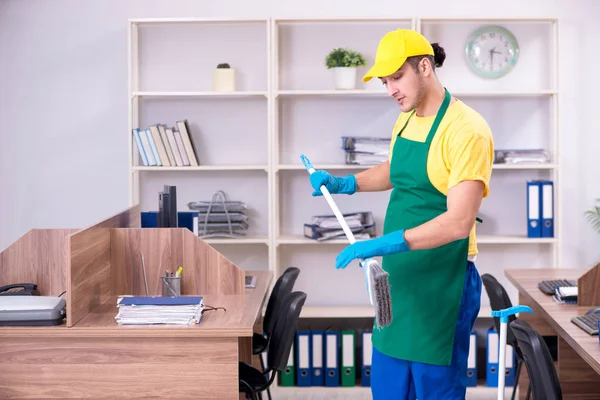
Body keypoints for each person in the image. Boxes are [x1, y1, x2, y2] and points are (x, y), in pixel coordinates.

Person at [308, 28, 494, 399]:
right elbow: (396, 170)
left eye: (396, 77)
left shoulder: (467, 130)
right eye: (385, 81)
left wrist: (385, 242)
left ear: (424, 67)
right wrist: (346, 184)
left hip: (442, 282)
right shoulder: (406, 117)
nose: (391, 89)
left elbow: (459, 222)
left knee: (434, 389)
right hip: (397, 280)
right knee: (390, 387)